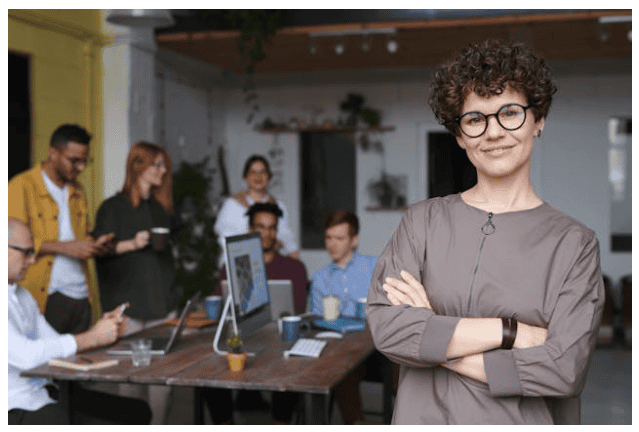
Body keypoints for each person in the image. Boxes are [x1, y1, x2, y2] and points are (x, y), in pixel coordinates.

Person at [367, 39, 604, 424]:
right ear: (460, 135)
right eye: (476, 119)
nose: (493, 132)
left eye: (510, 112)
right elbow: (390, 331)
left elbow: (563, 369)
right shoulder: (421, 222)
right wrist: (510, 333)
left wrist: (434, 335)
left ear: (538, 120)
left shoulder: (574, 244)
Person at [8, 217, 151, 425]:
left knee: (138, 411)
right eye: (27, 252)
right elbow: (27, 356)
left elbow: (56, 342)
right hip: (16, 406)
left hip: (46, 393)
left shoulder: (22, 294)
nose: (33, 260)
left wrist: (102, 333)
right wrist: (92, 338)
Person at [91, 141, 177, 424]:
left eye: (165, 165)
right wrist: (132, 243)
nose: (164, 171)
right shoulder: (112, 207)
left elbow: (166, 262)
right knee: (129, 384)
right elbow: (98, 251)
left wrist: (173, 304)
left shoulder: (160, 209)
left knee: (162, 382)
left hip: (161, 308)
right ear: (138, 165)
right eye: (158, 164)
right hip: (128, 308)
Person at [207, 202, 309, 424]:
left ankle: (280, 423)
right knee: (210, 375)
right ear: (250, 230)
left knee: (289, 370)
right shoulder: (232, 265)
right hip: (241, 340)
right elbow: (221, 306)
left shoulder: (295, 268)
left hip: (279, 341)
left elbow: (298, 311)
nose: (267, 233)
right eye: (260, 227)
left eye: (272, 227)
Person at [8, 124, 115, 334]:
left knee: (83, 361)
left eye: (85, 161)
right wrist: (66, 248)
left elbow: (77, 237)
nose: (81, 167)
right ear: (53, 153)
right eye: (74, 160)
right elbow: (11, 245)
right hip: (46, 296)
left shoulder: (78, 190)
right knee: (48, 363)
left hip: (82, 295)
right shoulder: (21, 187)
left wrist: (93, 246)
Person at [309, 209, 378, 425]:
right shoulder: (320, 279)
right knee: (342, 369)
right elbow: (317, 322)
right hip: (343, 350)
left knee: (403, 361)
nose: (332, 244)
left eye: (339, 238)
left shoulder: (374, 266)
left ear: (354, 240)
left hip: (377, 348)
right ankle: (356, 424)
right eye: (328, 238)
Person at [214, 154, 299, 262]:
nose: (258, 177)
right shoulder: (232, 205)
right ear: (246, 177)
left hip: (268, 263)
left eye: (262, 172)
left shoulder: (277, 206)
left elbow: (285, 234)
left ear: (269, 176)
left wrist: (293, 251)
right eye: (253, 172)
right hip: (236, 262)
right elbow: (224, 239)